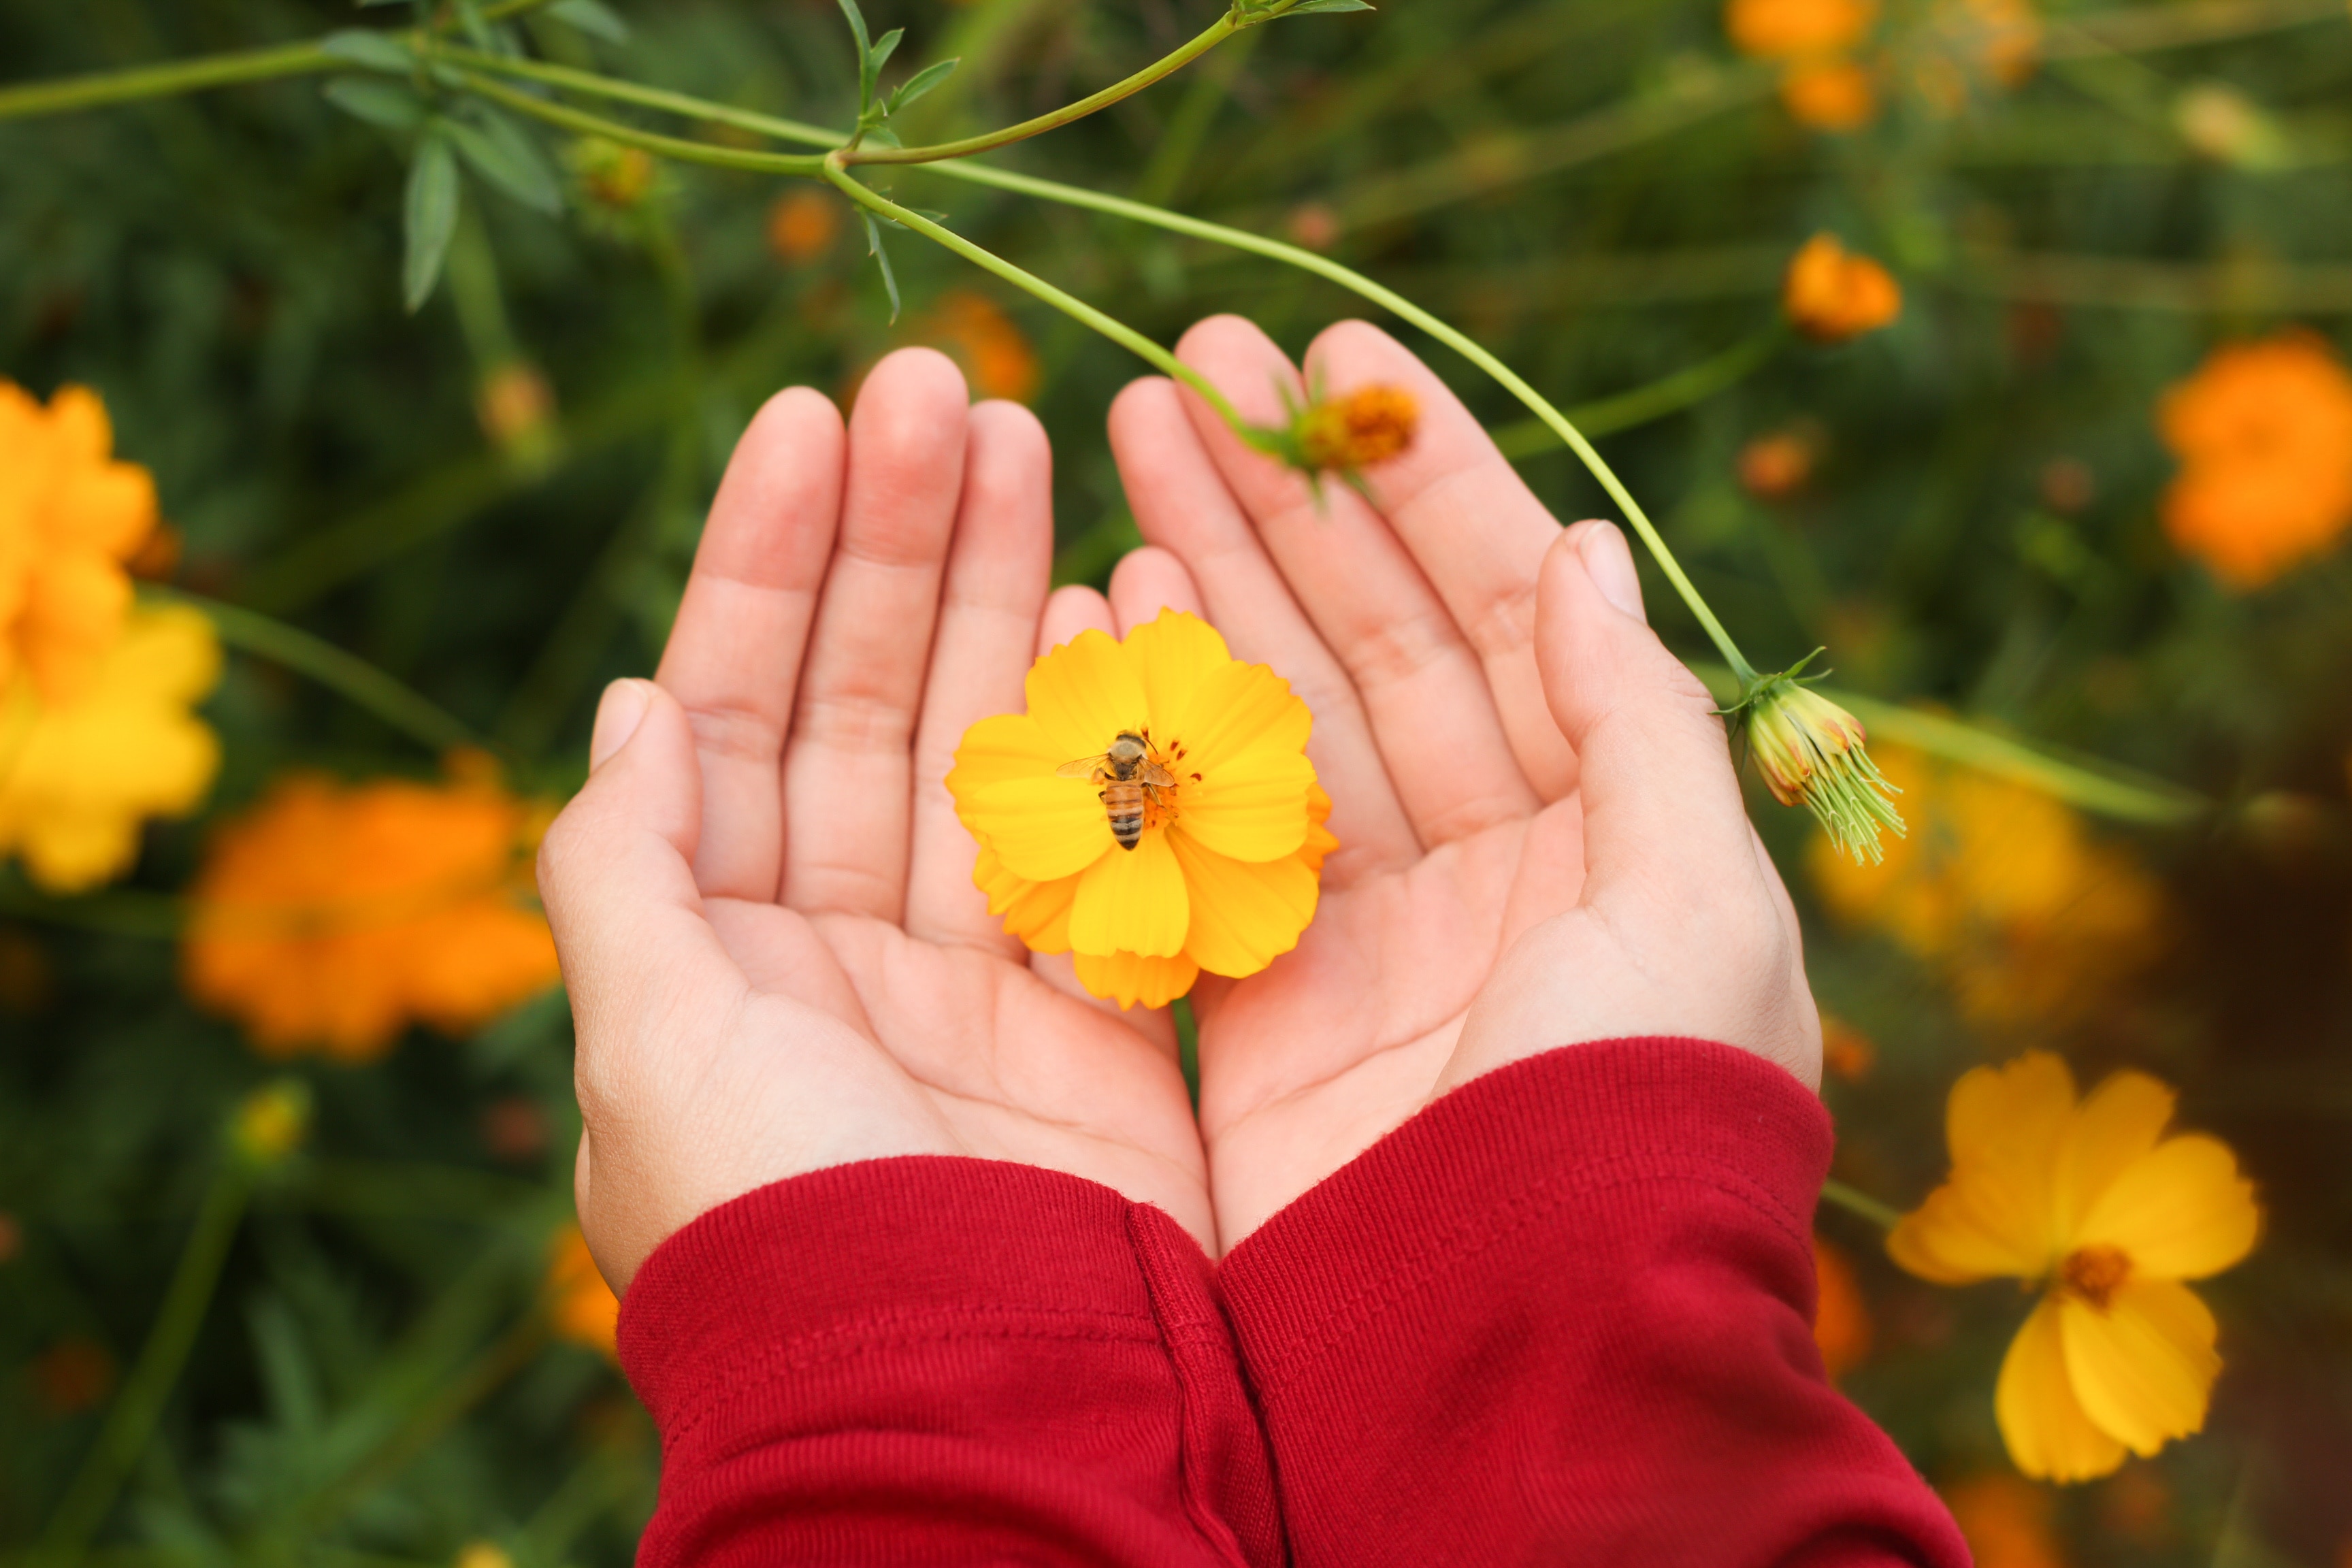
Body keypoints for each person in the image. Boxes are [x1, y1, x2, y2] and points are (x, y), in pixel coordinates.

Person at [535, 316, 1970, 1567]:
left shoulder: (1217, 795)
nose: (1136, 783)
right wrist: (1582, 1245)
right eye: (1131, 782)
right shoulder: (1103, 805)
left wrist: (860, 1344)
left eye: (1144, 775)